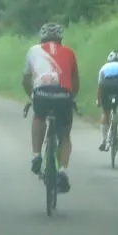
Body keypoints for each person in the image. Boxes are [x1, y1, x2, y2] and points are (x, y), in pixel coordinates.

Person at [22, 22, 79, 193]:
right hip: (63, 96)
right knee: (65, 135)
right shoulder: (69, 52)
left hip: (41, 94)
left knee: (39, 117)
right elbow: (75, 80)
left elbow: (25, 80)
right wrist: (72, 97)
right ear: (60, 38)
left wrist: (32, 95)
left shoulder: (33, 50)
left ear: (42, 37)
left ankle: (36, 155)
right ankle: (62, 170)